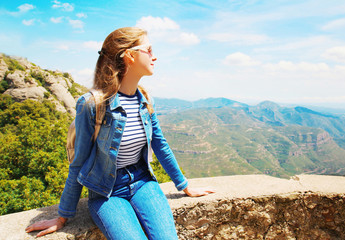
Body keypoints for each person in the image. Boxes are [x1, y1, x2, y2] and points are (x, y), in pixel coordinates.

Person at [25, 27, 214, 240]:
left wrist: (184, 186)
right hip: (107, 192)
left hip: (143, 182)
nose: (155, 56)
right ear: (129, 56)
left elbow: (160, 144)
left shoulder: (145, 100)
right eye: (149, 50)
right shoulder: (92, 104)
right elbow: (79, 162)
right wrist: (62, 216)